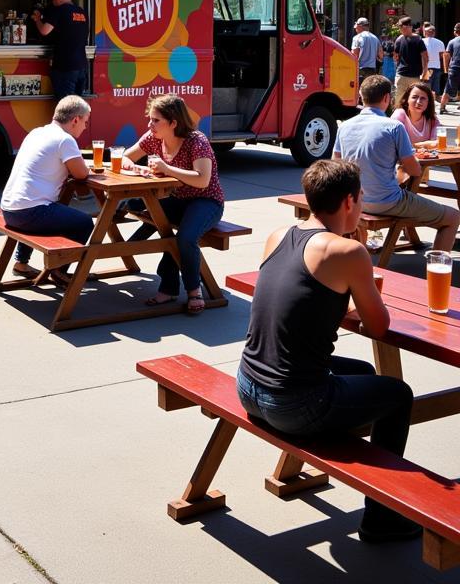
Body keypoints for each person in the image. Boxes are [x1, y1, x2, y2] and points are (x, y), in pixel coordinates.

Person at [237, 159, 418, 544]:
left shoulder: (279, 234)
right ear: (350, 201)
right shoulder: (347, 253)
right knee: (399, 395)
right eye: (362, 195)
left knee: (365, 374)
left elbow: (302, 307)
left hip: (249, 387)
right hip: (291, 404)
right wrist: (364, 279)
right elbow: (380, 326)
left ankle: (350, 448)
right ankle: (381, 517)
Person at [121, 94, 225, 314]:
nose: (150, 125)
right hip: (176, 199)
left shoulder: (197, 141)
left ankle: (193, 291)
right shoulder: (153, 137)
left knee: (185, 238)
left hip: (205, 201)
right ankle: (166, 286)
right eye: (150, 119)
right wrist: (136, 168)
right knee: (134, 204)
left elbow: (202, 179)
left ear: (174, 122)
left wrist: (167, 169)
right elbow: (125, 157)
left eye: (156, 120)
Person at [334, 75, 460, 250]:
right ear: (387, 98)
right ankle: (435, 273)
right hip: (387, 201)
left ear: (361, 97)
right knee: (453, 217)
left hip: (355, 200)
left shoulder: (344, 126)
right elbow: (415, 171)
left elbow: (336, 167)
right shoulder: (394, 127)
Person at [0, 95, 93, 282]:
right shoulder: (65, 140)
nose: (85, 126)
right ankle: (59, 270)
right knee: (84, 223)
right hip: (29, 213)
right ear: (75, 120)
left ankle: (22, 263)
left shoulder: (37, 132)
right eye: (85, 121)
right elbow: (82, 174)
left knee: (46, 205)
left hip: (9, 209)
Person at [31, 0, 89, 99]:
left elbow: (44, 31)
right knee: (78, 104)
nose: (52, 2)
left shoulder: (60, 10)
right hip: (82, 66)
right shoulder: (82, 12)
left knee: (66, 106)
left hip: (65, 67)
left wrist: (37, 19)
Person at [391, 17, 427, 107]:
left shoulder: (415, 40)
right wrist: (424, 70)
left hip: (408, 75)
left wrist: (425, 71)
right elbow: (425, 57)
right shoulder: (417, 39)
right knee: (405, 99)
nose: (400, 30)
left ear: (408, 26)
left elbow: (395, 56)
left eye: (401, 27)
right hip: (407, 75)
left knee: (404, 99)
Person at [391, 81, 439, 146]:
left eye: (423, 98)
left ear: (428, 102)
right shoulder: (400, 115)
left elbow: (436, 143)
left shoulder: (432, 119)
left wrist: (414, 145)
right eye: (414, 97)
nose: (419, 102)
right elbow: (396, 145)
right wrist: (424, 144)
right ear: (407, 99)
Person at [350, 17, 382, 84]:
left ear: (360, 26)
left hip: (360, 69)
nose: (355, 29)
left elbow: (354, 54)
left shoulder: (357, 38)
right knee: (368, 90)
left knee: (359, 91)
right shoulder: (375, 38)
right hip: (372, 69)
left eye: (356, 27)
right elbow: (381, 55)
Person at [422, 23, 446, 101]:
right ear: (434, 33)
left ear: (425, 32)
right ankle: (440, 106)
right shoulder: (440, 42)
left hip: (426, 68)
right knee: (436, 89)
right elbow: (442, 55)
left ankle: (430, 106)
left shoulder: (422, 41)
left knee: (426, 88)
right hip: (437, 67)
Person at [440, 24, 460, 115]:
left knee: (448, 89)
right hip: (455, 68)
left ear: (455, 32)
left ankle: (442, 107)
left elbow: (446, 55)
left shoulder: (452, 42)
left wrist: (446, 69)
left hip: (454, 68)